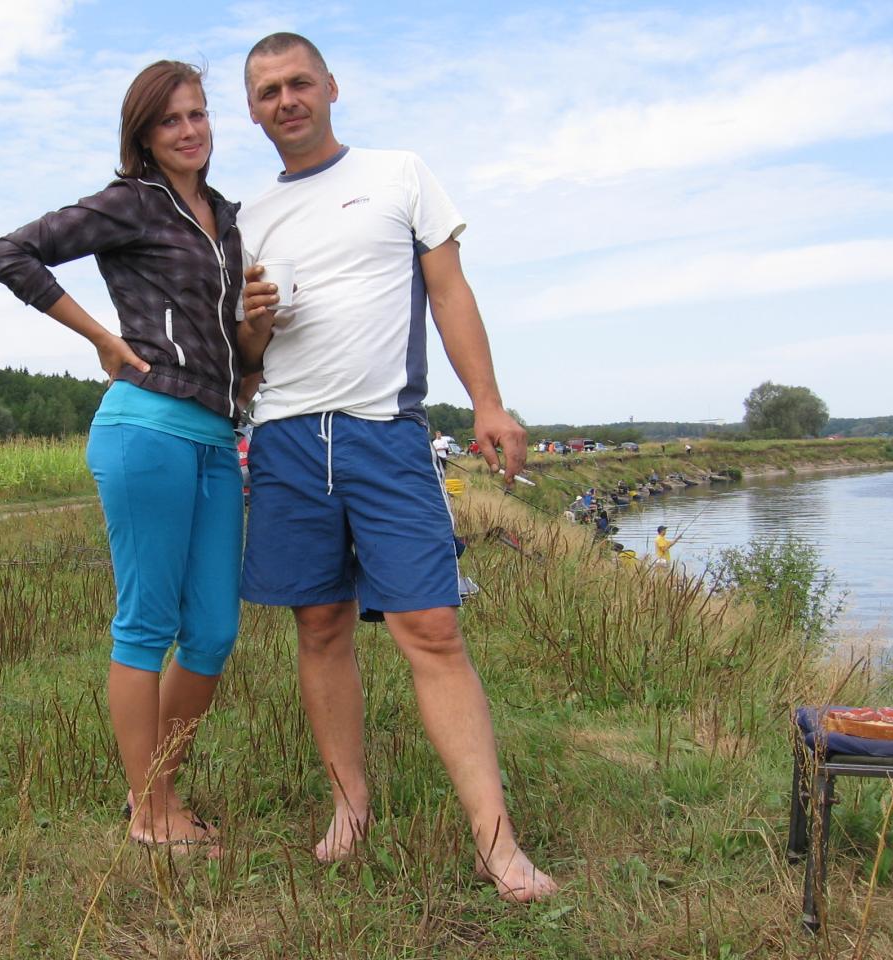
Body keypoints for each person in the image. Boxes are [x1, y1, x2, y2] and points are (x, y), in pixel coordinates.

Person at [236, 32, 556, 902]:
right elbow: (248, 359)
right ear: (252, 111)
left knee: (432, 630)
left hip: (387, 433)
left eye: (299, 82)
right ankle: (350, 806)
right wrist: (252, 324)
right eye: (267, 91)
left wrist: (488, 403)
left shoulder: (400, 175)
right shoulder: (245, 217)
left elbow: (448, 291)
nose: (286, 100)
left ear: (331, 86)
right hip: (288, 439)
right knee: (319, 627)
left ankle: (496, 843)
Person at [0, 61, 245, 851]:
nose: (189, 130)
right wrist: (101, 337)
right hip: (147, 428)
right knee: (147, 623)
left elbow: (233, 341)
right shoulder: (132, 203)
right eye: (170, 120)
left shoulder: (228, 219)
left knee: (212, 632)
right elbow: (12, 254)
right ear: (143, 134)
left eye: (198, 114)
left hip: (218, 438)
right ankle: (151, 811)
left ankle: (158, 791)